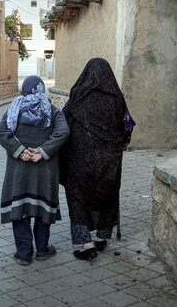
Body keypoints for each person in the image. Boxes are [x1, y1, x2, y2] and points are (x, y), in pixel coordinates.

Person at [60, 58, 135, 261]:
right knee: (107, 195)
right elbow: (127, 126)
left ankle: (86, 244)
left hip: (79, 158)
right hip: (109, 158)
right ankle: (102, 237)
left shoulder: (79, 95)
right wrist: (119, 143)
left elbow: (64, 121)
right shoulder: (116, 99)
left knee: (77, 196)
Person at [0, 76, 70, 265]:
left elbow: (1, 131)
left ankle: (24, 253)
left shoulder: (14, 109)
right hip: (45, 170)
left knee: (20, 209)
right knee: (42, 209)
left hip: (19, 170)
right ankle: (42, 250)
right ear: (42, 90)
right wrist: (43, 151)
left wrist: (20, 151)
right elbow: (63, 132)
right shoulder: (52, 110)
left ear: (24, 90)